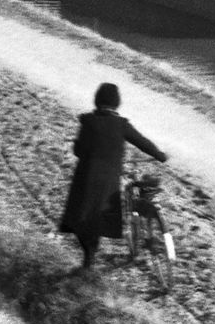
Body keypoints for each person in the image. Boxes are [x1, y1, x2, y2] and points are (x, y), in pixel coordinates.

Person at [58, 82, 166, 271]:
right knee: (99, 217)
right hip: (109, 182)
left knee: (80, 218)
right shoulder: (121, 125)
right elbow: (142, 142)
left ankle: (89, 255)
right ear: (116, 103)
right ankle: (91, 255)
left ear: (97, 100)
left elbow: (79, 151)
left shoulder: (89, 122)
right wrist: (159, 155)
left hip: (86, 179)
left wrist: (79, 144)